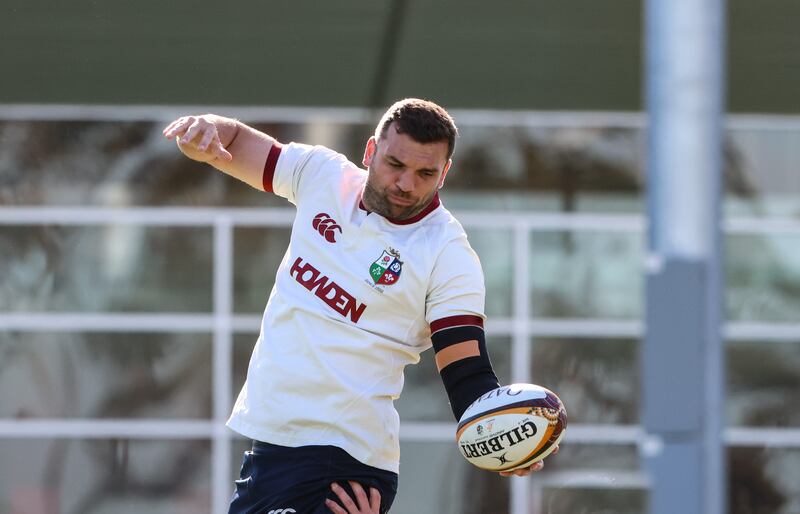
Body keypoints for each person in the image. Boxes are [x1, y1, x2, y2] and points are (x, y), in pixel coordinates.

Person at [163, 99, 555, 514]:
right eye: (394, 165)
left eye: (426, 173)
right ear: (370, 152)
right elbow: (236, 141)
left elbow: (466, 372)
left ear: (445, 173)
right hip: (273, 444)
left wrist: (502, 432)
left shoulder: (448, 254)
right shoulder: (322, 176)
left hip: (342, 461)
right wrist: (205, 132)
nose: (407, 183)